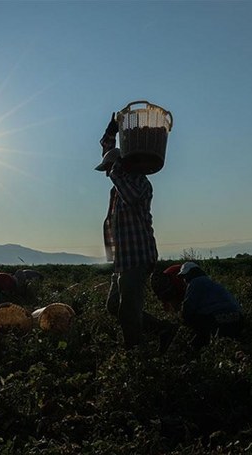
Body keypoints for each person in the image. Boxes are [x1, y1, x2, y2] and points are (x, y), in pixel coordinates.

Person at [96, 113, 176, 350]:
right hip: (123, 258)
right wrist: (111, 132)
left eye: (110, 168)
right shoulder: (120, 183)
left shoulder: (139, 183)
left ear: (121, 166)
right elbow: (110, 155)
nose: (107, 172)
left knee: (128, 312)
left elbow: (128, 192)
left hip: (138, 257)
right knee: (115, 307)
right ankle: (163, 328)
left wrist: (115, 167)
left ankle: (134, 355)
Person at [154, 261, 243, 347]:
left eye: (184, 277)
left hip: (216, 319)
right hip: (238, 319)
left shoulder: (195, 283)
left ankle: (199, 343)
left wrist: (179, 321)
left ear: (190, 274)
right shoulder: (213, 283)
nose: (184, 281)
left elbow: (187, 308)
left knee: (192, 319)